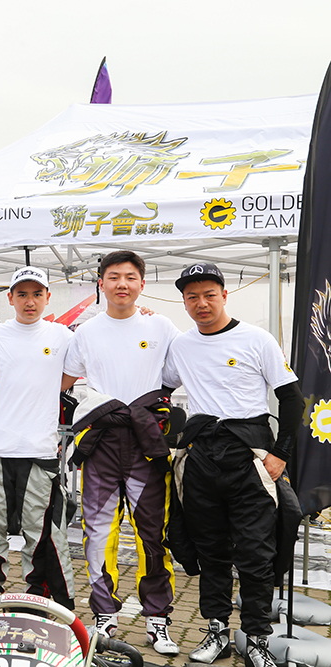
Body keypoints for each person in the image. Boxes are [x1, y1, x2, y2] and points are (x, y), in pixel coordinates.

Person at [163, 263, 303, 667]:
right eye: (192, 297)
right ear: (184, 302)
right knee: (211, 553)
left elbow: (292, 398)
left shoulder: (257, 339)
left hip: (250, 457)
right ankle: (217, 632)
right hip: (202, 457)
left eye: (209, 294)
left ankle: (257, 639)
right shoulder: (181, 345)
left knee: (256, 555)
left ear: (224, 295)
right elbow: (161, 390)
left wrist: (281, 454)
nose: (202, 303)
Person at [61, 250, 180, 655]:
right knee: (98, 534)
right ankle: (104, 616)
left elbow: (179, 374)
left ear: (142, 284)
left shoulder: (161, 326)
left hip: (146, 444)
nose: (122, 284)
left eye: (130, 277)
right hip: (103, 443)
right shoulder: (85, 332)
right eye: (114, 277)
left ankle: (157, 619)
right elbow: (64, 379)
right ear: (101, 283)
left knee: (153, 535)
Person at [0, 266, 75, 609]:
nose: (29, 301)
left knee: (41, 529)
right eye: (22, 294)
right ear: (10, 299)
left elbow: (77, 370)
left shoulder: (62, 336)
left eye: (37, 294)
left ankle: (39, 592)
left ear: (48, 297)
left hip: (38, 449)